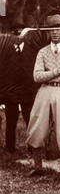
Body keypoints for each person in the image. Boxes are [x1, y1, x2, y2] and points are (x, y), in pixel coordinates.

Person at [26, 14, 60, 187]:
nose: (55, 32)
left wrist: (49, 75)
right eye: (51, 29)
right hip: (44, 92)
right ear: (48, 32)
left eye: (58, 28)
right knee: (36, 127)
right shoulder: (42, 52)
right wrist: (57, 71)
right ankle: (38, 167)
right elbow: (36, 76)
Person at [2, 24, 37, 153]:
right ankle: (10, 148)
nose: (18, 36)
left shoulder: (32, 49)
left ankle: (32, 147)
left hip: (27, 91)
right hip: (10, 92)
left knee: (30, 118)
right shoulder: (5, 50)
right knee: (11, 119)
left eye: (20, 33)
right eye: (15, 33)